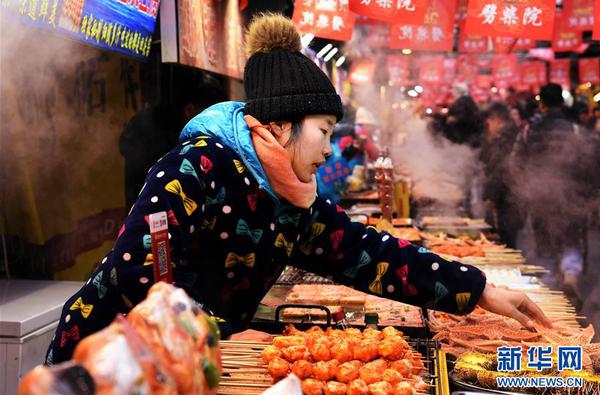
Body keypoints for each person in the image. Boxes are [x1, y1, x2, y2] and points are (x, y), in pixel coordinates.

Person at [46, 14, 551, 365]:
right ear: (281, 125)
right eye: (324, 130)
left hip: (193, 363)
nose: (331, 148)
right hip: (104, 358)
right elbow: (142, 275)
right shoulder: (195, 168)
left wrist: (478, 288)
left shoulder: (294, 201)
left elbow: (369, 254)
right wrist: (225, 334)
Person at [510, 84, 592, 309]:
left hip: (540, 196)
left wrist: (525, 190)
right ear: (563, 103)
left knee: (544, 242)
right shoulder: (576, 130)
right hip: (572, 195)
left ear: (542, 104)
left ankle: (548, 295)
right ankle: (570, 278)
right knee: (571, 240)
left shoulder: (528, 130)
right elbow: (589, 162)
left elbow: (516, 163)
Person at [119, 71, 228, 210]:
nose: (214, 126)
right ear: (189, 110)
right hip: (153, 217)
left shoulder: (163, 127)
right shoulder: (163, 140)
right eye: (210, 117)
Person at [480, 102, 522, 248]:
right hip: (514, 196)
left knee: (506, 241)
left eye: (489, 123)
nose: (488, 128)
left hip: (507, 197)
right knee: (508, 238)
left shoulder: (505, 138)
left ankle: (510, 271)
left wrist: (491, 195)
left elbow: (501, 169)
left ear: (497, 120)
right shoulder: (516, 134)